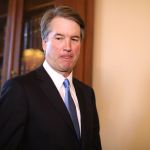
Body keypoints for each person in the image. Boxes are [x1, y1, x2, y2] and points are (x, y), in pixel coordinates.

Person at [0, 6, 102, 150]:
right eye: (59, 38)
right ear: (44, 43)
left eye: (74, 39)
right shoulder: (18, 89)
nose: (68, 47)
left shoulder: (87, 94)